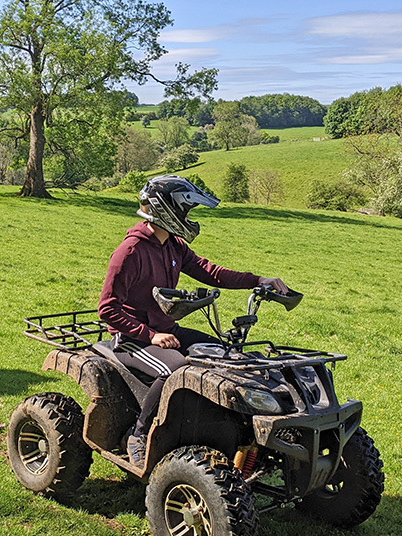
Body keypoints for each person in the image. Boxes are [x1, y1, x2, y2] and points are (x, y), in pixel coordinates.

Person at [97, 175, 288, 467]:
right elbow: (107, 309)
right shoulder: (130, 252)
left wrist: (258, 280)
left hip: (168, 330)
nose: (188, 217)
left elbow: (210, 271)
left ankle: (231, 433)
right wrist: (150, 336)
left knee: (226, 354)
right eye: (185, 210)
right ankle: (139, 433)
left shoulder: (173, 245)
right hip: (133, 340)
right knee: (175, 369)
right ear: (166, 210)